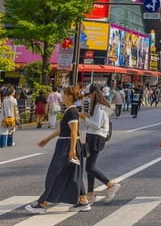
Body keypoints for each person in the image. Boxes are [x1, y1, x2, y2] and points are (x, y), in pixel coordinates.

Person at [26, 86, 91, 214]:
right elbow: (63, 129)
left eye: (65, 94)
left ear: (70, 96)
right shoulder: (70, 111)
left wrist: (72, 150)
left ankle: (43, 203)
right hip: (66, 143)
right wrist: (47, 139)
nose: (62, 96)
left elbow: (73, 132)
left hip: (67, 145)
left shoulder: (72, 111)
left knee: (55, 173)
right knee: (73, 173)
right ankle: (82, 200)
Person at [84, 84, 120, 203]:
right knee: (90, 166)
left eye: (89, 94)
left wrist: (84, 118)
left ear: (94, 93)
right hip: (95, 137)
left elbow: (96, 125)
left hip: (96, 137)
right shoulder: (99, 107)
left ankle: (110, 185)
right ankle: (90, 193)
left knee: (90, 167)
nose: (88, 97)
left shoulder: (99, 107)